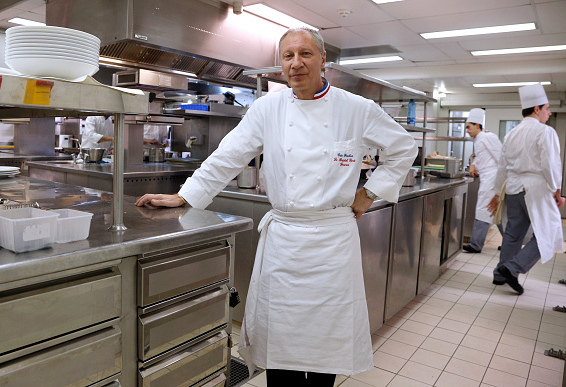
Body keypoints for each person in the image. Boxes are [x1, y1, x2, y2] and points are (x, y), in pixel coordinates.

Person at [136, 27, 417, 386]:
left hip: (332, 241)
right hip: (284, 241)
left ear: (322, 60)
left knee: (323, 347)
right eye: (288, 56)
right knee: (280, 346)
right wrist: (185, 196)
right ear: (280, 64)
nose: (296, 64)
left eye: (305, 54)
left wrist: (370, 192)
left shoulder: (357, 109)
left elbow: (404, 149)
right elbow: (229, 155)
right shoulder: (268, 108)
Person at [488, 83, 564, 295]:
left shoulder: (512, 133)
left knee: (513, 233)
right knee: (548, 231)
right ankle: (512, 269)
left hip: (513, 188)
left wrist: (496, 192)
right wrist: (557, 190)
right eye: (547, 108)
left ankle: (499, 274)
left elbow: (502, 167)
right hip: (536, 188)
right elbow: (551, 164)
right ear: (537, 109)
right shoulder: (545, 132)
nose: (549, 113)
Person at [462, 108, 503, 254]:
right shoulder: (479, 140)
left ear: (478, 125)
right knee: (496, 213)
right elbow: (481, 156)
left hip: (492, 178)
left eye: (469, 127)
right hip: (487, 178)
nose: (467, 130)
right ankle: (511, 243)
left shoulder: (488, 137)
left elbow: (501, 158)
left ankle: (475, 245)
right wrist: (474, 164)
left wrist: (501, 182)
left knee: (484, 210)